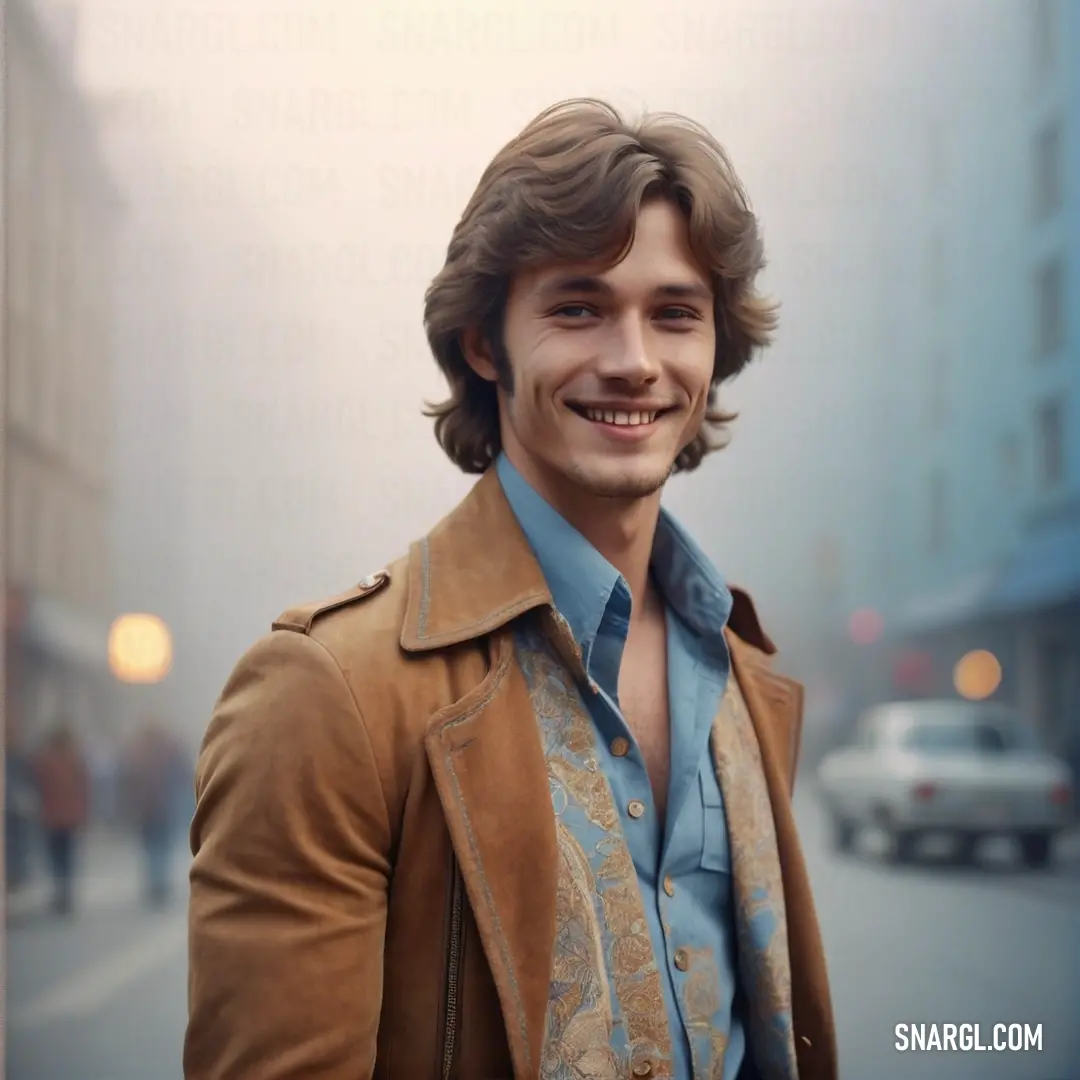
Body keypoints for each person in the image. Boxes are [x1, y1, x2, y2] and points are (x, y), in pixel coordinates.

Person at [186, 98, 836, 1080]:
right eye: (578, 308)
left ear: (714, 348)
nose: (635, 362)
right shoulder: (326, 695)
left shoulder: (741, 671)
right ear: (485, 345)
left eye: (675, 313)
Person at [123, 718, 190, 907]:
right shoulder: (169, 750)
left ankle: (156, 882)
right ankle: (159, 882)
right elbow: (183, 775)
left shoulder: (138, 752)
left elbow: (128, 779)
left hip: (150, 806)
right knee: (160, 845)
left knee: (152, 846)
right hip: (162, 806)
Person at [32, 722, 90, 915]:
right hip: (71, 816)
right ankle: (65, 893)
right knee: (68, 858)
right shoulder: (76, 759)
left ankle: (60, 893)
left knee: (55, 858)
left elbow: (38, 786)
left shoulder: (45, 760)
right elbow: (84, 787)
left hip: (51, 817)